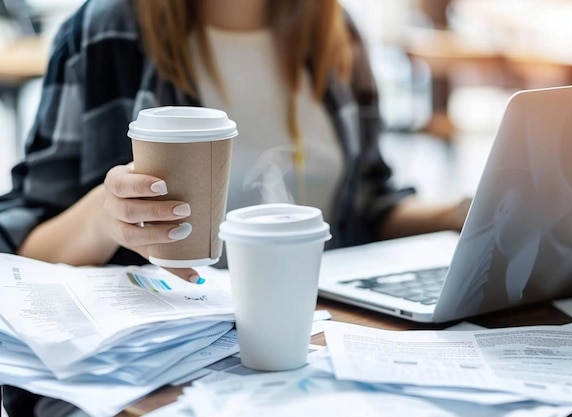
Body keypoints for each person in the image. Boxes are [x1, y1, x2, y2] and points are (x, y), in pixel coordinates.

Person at [0, 0, 469, 415]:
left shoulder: (334, 30)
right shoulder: (106, 29)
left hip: (311, 343)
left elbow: (366, 208)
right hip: (161, 364)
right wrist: (106, 215)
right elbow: (21, 251)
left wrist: (460, 215)